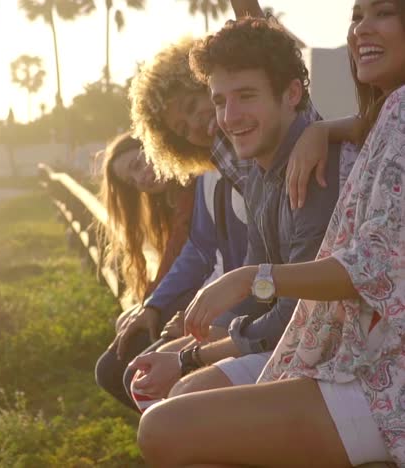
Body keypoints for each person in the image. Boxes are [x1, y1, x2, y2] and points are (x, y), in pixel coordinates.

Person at [137, 1, 405, 466]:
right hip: (353, 359)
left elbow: (371, 268)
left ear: (293, 94)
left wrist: (248, 282)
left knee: (167, 425)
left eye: (382, 13)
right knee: (171, 415)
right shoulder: (383, 117)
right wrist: (325, 130)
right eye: (356, 16)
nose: (362, 28)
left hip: (380, 377)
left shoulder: (321, 167)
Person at [127, 9, 346, 406]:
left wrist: (189, 355)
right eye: (220, 101)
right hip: (288, 339)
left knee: (176, 403)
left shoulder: (312, 164)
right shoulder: (257, 172)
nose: (226, 118)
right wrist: (189, 337)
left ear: (292, 95)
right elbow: (259, 289)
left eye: (245, 96)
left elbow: (293, 314)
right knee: (147, 379)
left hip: (332, 357)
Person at [95, 132, 196, 409]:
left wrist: (152, 303)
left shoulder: (192, 186)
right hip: (199, 290)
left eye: (139, 164)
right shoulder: (173, 198)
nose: (140, 179)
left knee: (113, 371)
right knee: (125, 326)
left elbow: (188, 258)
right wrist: (149, 304)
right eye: (132, 179)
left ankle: (176, 432)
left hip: (211, 293)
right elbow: (175, 259)